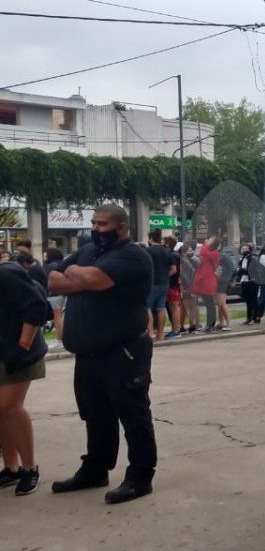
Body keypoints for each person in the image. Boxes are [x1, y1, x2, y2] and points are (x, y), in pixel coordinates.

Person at [48, 204, 157, 504]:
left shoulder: (133, 256)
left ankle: (140, 476)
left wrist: (79, 277)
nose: (96, 229)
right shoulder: (87, 252)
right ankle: (95, 468)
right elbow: (52, 278)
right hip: (88, 352)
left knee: (133, 414)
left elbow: (94, 280)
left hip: (123, 352)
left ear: (121, 227)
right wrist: (81, 277)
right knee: (95, 415)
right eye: (93, 223)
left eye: (102, 224)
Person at [0, 255, 51, 495]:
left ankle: (30, 469)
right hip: (5, 352)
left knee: (9, 407)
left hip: (18, 353)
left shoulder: (7, 273)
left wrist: (23, 344)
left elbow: (37, 306)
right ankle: (11, 468)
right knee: (2, 411)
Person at [192, 235, 222, 332]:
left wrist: (206, 244)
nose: (207, 241)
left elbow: (203, 252)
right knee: (208, 303)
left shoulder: (214, 253)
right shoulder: (212, 252)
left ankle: (210, 324)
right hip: (205, 279)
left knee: (209, 304)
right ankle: (210, 324)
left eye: (210, 240)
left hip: (208, 280)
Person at [144, 235, 171, 341]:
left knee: (147, 307)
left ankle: (151, 333)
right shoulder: (166, 251)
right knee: (161, 307)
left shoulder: (148, 251)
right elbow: (172, 268)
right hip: (165, 282)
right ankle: (161, 334)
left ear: (151, 239)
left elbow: (145, 265)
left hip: (152, 282)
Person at [234, 245, 260, 324]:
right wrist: (241, 271)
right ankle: (249, 317)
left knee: (253, 299)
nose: (244, 250)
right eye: (243, 249)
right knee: (247, 300)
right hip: (244, 281)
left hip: (252, 281)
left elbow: (251, 270)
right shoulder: (241, 259)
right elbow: (238, 272)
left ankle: (256, 316)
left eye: (246, 249)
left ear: (249, 250)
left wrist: (242, 270)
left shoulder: (252, 259)